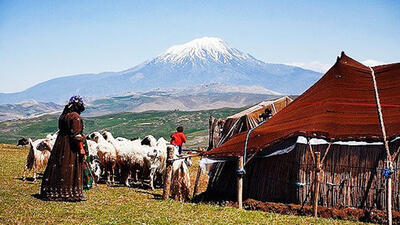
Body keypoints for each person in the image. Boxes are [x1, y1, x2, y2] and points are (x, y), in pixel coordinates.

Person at [40, 95, 86, 201]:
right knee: (69, 165)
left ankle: (52, 191)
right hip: (70, 146)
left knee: (59, 165)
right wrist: (81, 147)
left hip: (60, 143)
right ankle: (69, 193)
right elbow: (76, 135)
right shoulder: (75, 117)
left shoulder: (63, 116)